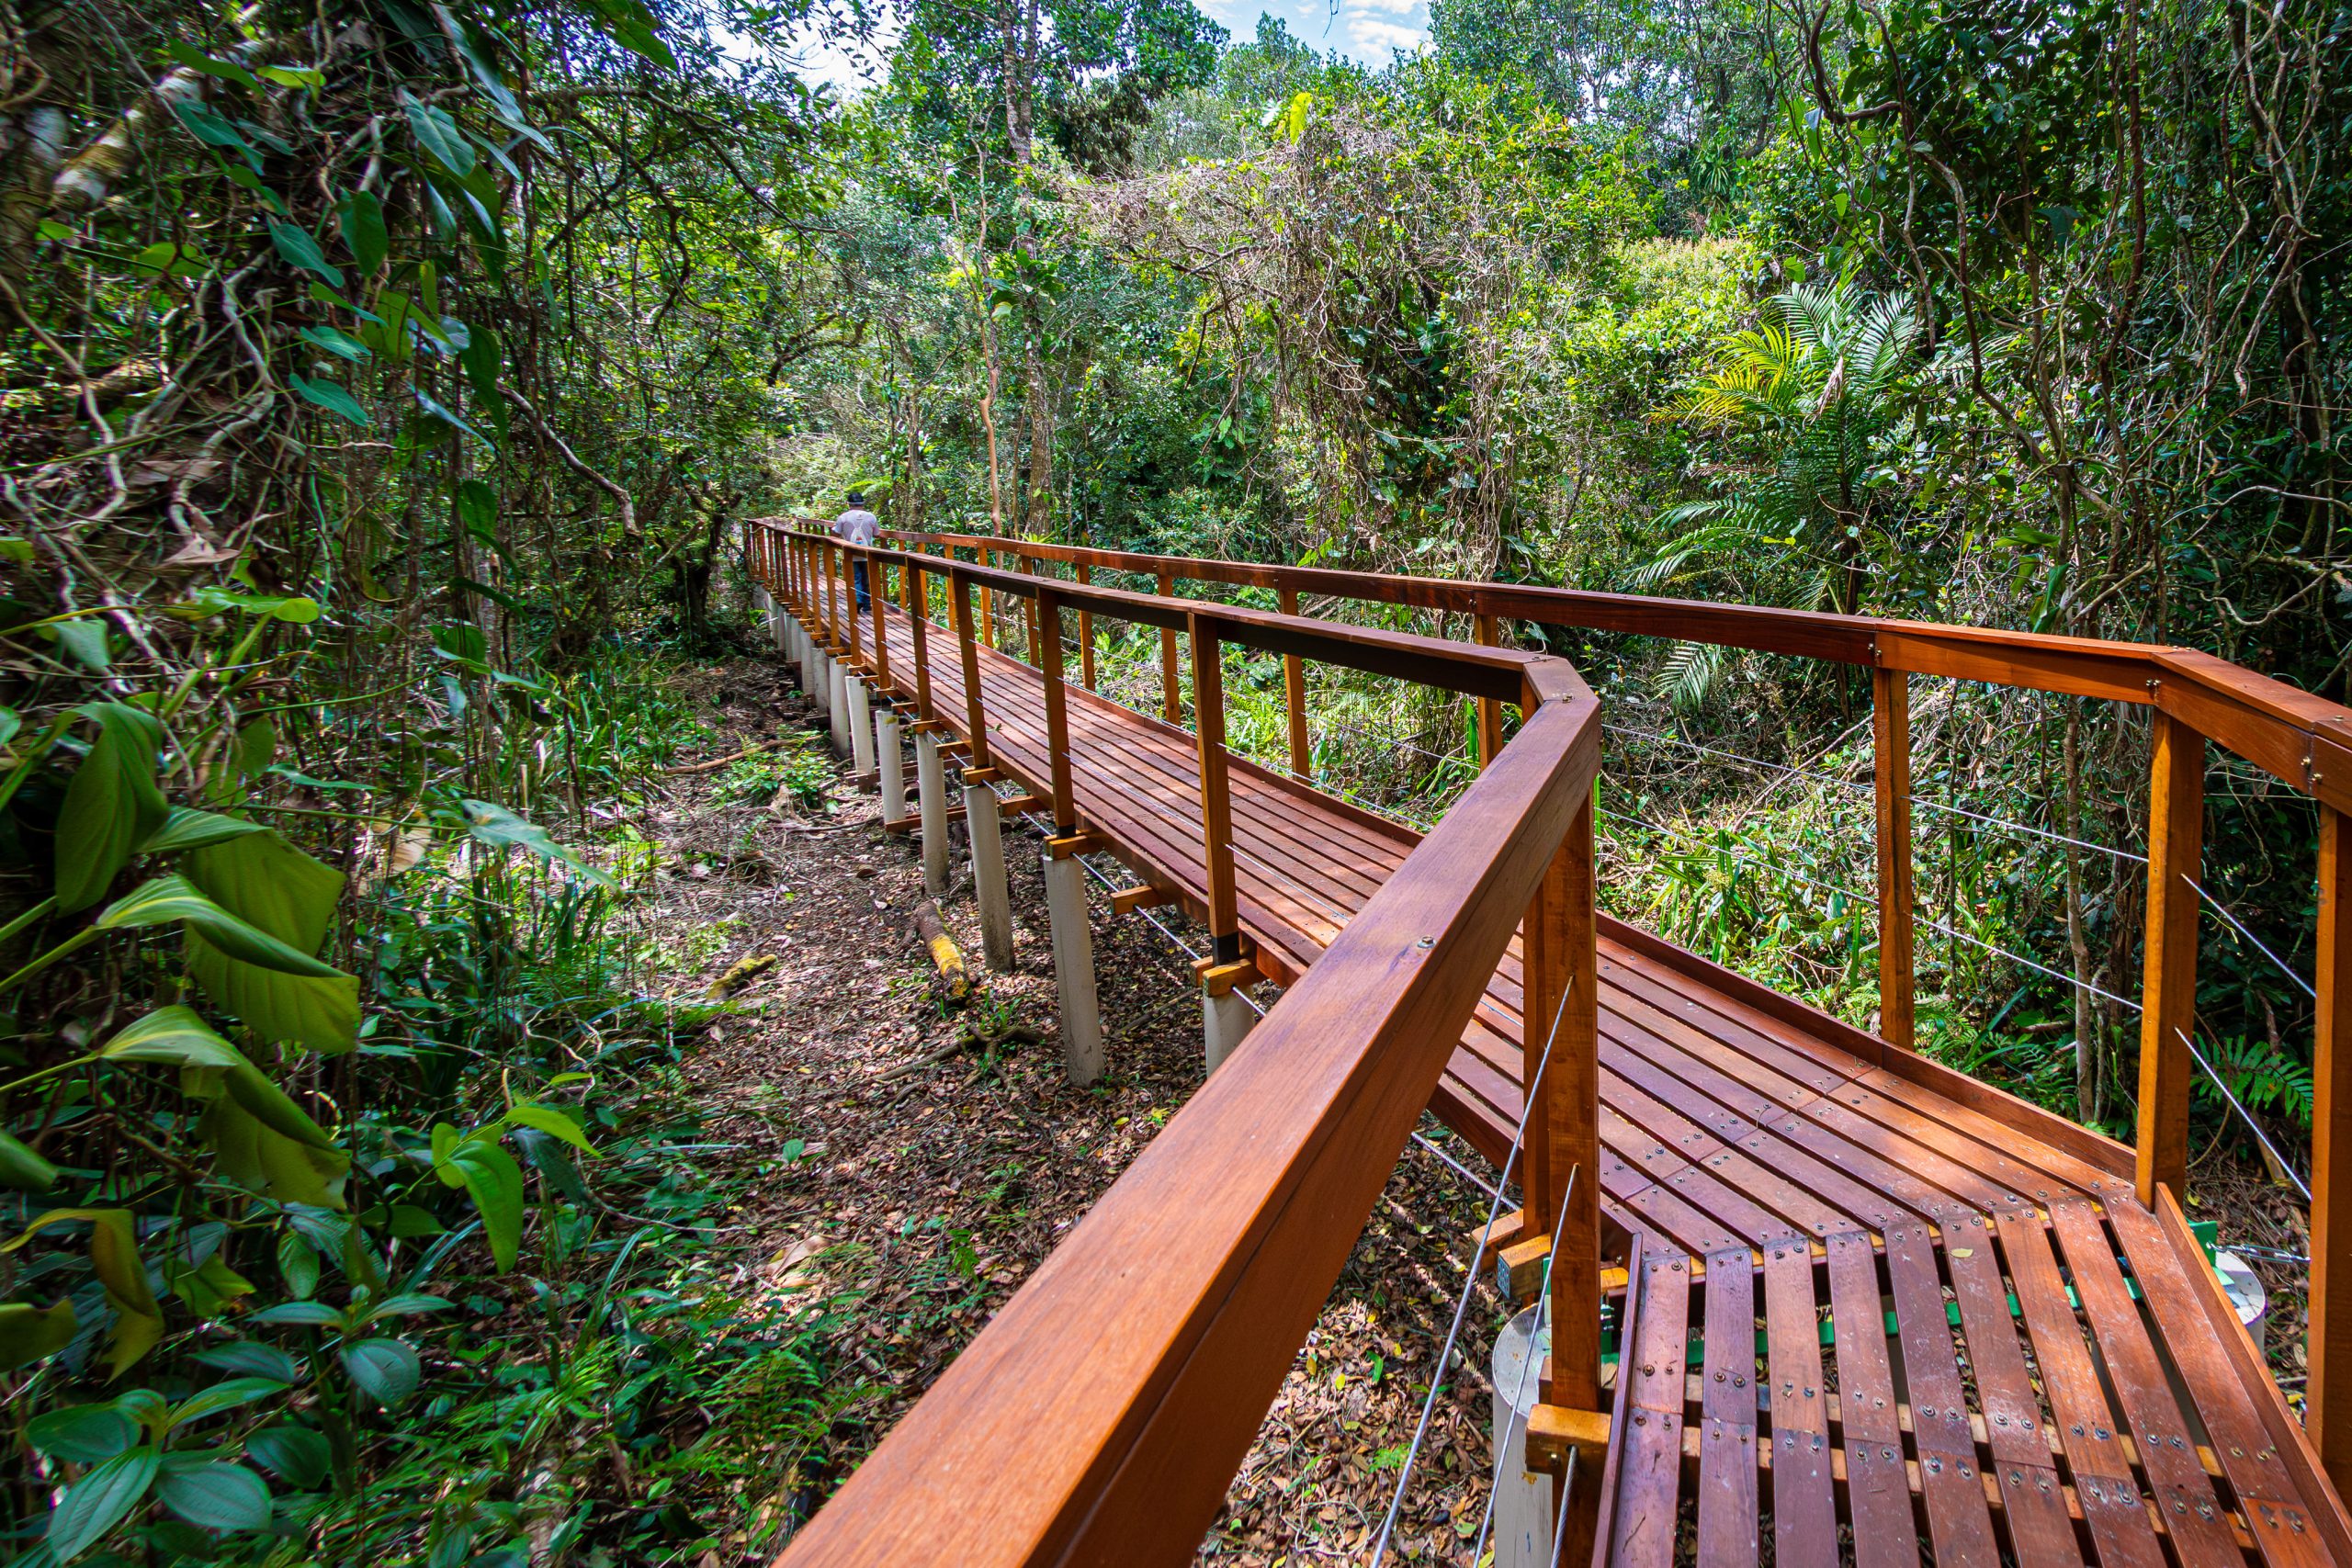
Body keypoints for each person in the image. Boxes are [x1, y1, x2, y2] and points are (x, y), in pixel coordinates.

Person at [833, 491, 881, 609]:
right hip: (867, 553)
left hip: (850, 553)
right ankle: (867, 604)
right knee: (867, 579)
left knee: (856, 578)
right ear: (863, 503)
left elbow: (835, 534)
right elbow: (877, 534)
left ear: (848, 504)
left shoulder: (843, 517)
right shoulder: (871, 516)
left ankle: (858, 600)